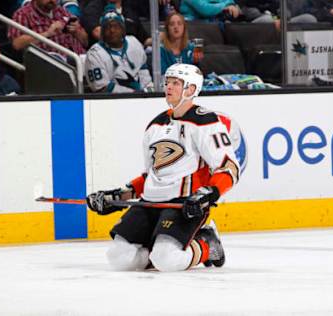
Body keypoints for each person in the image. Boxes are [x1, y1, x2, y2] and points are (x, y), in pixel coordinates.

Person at [86, 63, 247, 272]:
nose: (168, 87)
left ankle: (208, 244)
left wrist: (209, 193)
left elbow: (229, 168)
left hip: (183, 205)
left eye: (176, 83)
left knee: (167, 261)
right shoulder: (155, 125)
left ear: (190, 89)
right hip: (150, 204)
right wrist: (116, 196)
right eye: (167, 82)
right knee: (120, 259)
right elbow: (150, 176)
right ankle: (157, 246)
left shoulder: (205, 122)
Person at [84, 8, 152, 93]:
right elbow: (102, 88)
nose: (112, 30)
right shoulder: (94, 54)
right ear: (102, 32)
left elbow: (145, 78)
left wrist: (148, 93)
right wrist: (134, 94)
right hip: (110, 103)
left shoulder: (134, 43)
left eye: (115, 26)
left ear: (123, 29)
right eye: (107, 27)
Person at [8, 0, 88, 58]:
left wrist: (77, 31)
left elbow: (85, 42)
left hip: (79, 58)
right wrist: (47, 34)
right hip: (51, 63)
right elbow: (17, 44)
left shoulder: (62, 11)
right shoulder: (23, 14)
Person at [81, 0, 151, 46]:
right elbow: (97, 33)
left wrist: (160, 39)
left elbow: (144, 39)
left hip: (132, 55)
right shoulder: (94, 7)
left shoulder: (129, 8)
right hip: (104, 53)